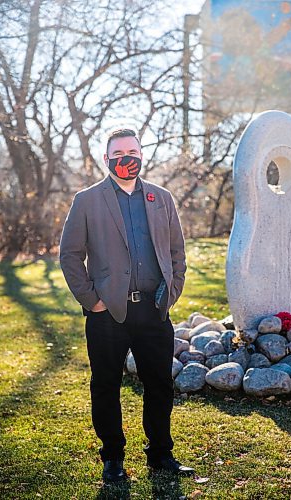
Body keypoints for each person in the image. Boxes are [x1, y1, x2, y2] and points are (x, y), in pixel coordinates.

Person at [59, 128, 194, 482]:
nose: (126, 158)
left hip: (154, 310)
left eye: (132, 151)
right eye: (118, 153)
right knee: (105, 385)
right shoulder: (87, 200)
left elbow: (177, 252)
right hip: (108, 315)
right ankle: (113, 457)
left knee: (160, 384)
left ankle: (161, 453)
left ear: (141, 154)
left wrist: (173, 289)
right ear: (107, 160)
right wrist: (93, 301)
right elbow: (70, 256)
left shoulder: (161, 198)